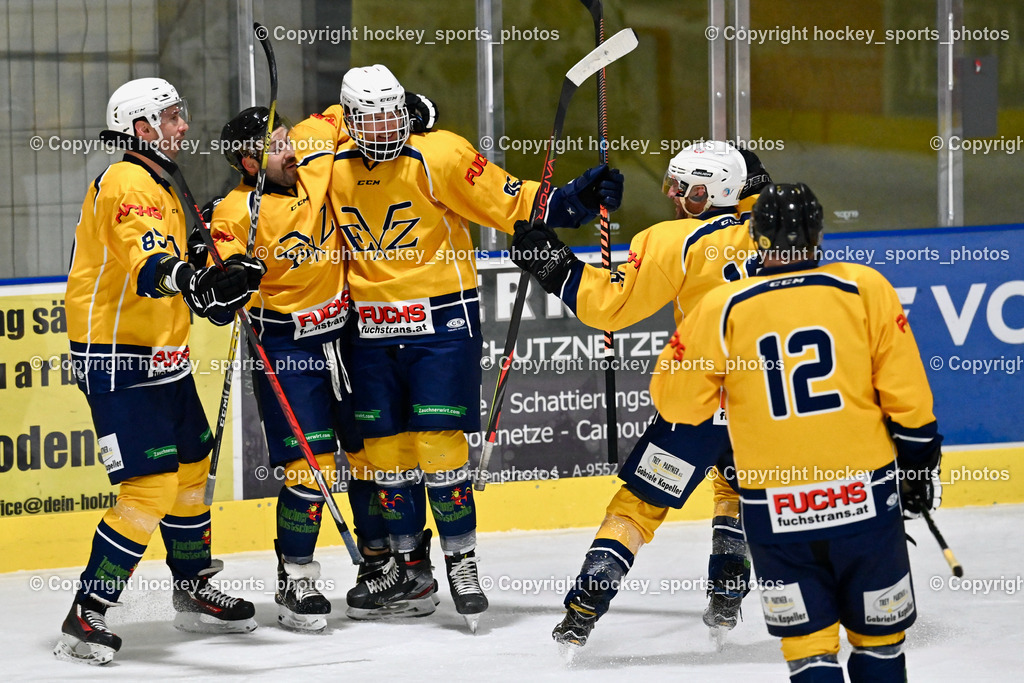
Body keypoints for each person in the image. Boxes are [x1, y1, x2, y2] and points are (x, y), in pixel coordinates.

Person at [328, 64, 623, 631]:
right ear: (350, 119)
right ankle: (410, 569)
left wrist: (573, 202)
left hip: (440, 323)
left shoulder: (438, 155)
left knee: (439, 446)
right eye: (372, 116)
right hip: (366, 329)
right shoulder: (330, 166)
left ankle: (462, 563)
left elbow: (512, 201)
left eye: (395, 112)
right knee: (385, 455)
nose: (386, 125)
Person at [650, 183, 943, 682]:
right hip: (865, 500)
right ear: (819, 233)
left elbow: (675, 401)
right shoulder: (864, 287)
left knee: (808, 648)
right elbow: (909, 399)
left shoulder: (721, 308)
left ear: (756, 237)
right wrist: (917, 470)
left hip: (776, 507)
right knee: (880, 643)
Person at [512, 141, 769, 648]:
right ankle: (728, 594)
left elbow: (610, 307)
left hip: (696, 404)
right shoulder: (775, 228)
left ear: (705, 191)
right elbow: (755, 190)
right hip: (764, 403)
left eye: (681, 186)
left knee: (635, 508)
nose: (671, 193)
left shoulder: (671, 240)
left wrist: (550, 262)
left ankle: (584, 608)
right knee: (735, 491)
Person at [207, 95, 437, 631]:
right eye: (274, 147)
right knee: (309, 471)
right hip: (287, 349)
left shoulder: (314, 167)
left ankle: (380, 565)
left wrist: (412, 107)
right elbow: (215, 267)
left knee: (365, 455)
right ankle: (297, 579)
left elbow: (345, 111)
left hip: (347, 337)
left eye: (287, 138)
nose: (288, 150)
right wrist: (225, 276)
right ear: (246, 163)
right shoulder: (236, 211)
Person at [56, 77, 266, 665]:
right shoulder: (128, 181)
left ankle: (193, 589)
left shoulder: (162, 182)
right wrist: (194, 279)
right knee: (149, 487)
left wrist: (222, 278)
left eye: (180, 115)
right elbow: (152, 265)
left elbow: (185, 261)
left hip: (164, 358)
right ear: (140, 127)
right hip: (119, 359)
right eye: (171, 118)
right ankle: (85, 615)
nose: (182, 127)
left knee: (193, 470)